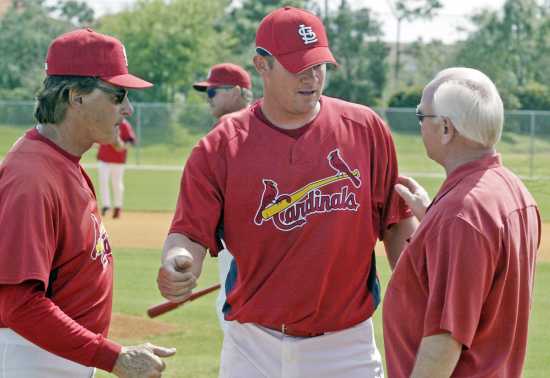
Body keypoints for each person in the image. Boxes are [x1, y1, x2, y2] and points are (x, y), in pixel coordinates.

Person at [157, 6, 416, 378]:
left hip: (347, 347)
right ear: (261, 65)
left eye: (319, 65)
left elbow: (395, 225)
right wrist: (178, 260)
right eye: (298, 66)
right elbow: (189, 233)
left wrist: (417, 294)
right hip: (253, 346)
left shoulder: (366, 129)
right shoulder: (220, 147)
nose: (312, 77)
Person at [0, 28, 175, 377]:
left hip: (57, 353)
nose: (127, 109)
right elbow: (17, 305)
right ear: (75, 96)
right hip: (30, 358)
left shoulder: (63, 162)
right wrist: (114, 356)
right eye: (117, 94)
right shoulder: (31, 177)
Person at [383, 67, 541, 377]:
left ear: (445, 128)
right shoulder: (513, 191)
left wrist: (446, 222)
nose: (419, 125)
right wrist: (431, 219)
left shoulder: (461, 215)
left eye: (421, 116)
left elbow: (444, 341)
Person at [192, 62, 253, 331]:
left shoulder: (242, 130)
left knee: (235, 315)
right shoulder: (255, 127)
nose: (209, 98)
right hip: (241, 243)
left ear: (238, 92)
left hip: (242, 240)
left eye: (214, 91)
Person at [97, 111, 137, 219]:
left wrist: (123, 146)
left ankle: (118, 207)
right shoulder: (106, 122)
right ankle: (106, 205)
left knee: (117, 184)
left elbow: (131, 141)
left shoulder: (124, 125)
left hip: (118, 160)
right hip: (104, 159)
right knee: (103, 181)